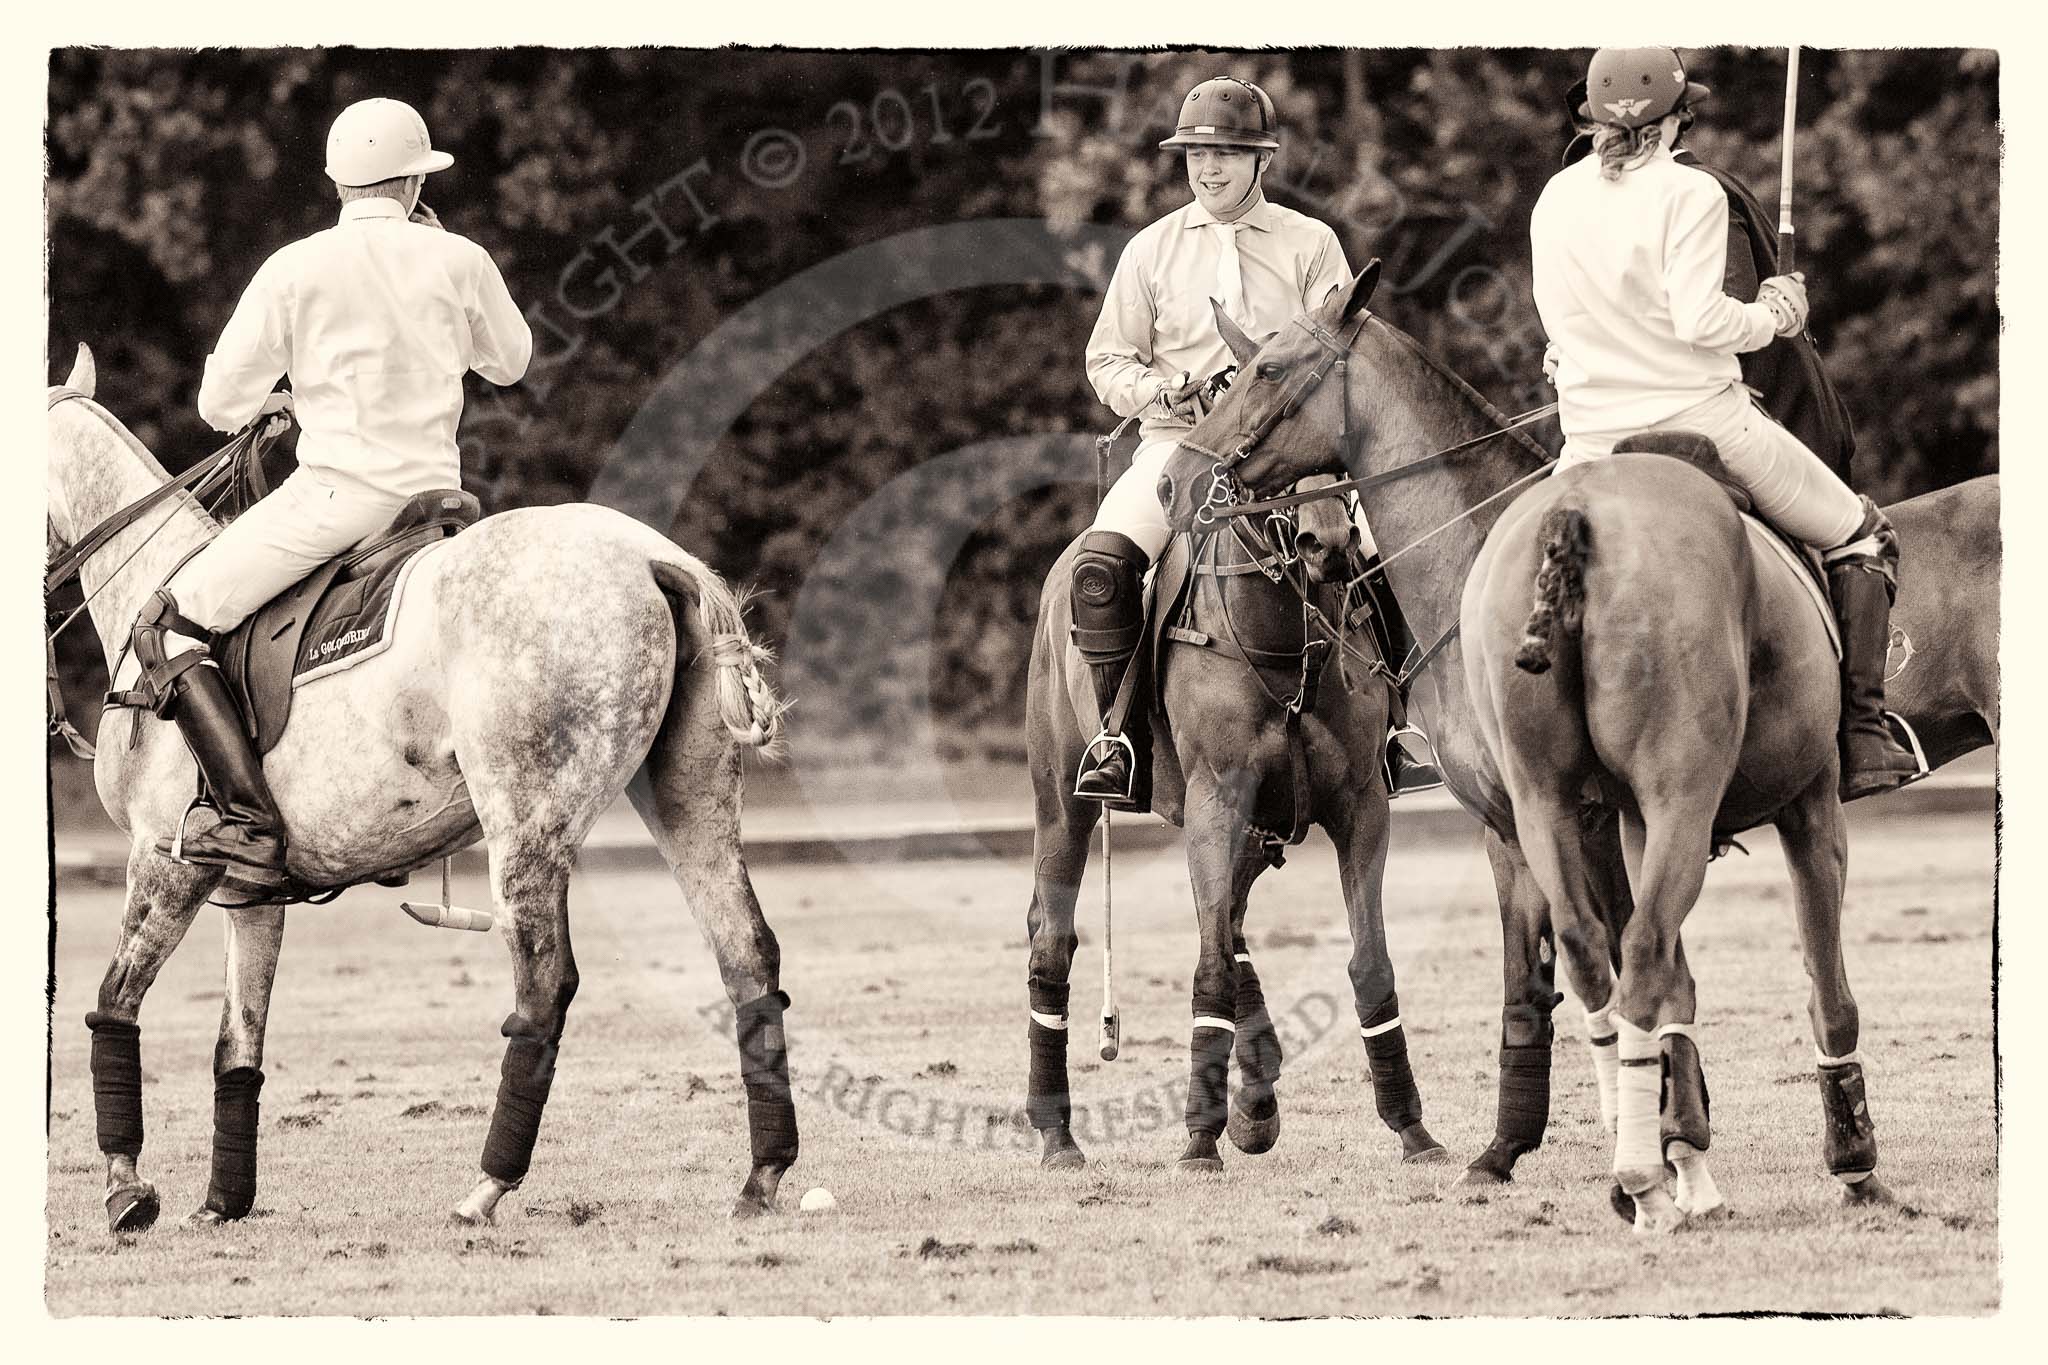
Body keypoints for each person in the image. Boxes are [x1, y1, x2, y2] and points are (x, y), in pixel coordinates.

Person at [132, 97, 534, 895]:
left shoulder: (294, 266)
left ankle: (246, 823)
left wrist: (276, 400)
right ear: (415, 185)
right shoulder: (459, 258)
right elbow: (510, 363)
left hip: (336, 502)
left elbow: (217, 405)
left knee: (167, 622)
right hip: (437, 511)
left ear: (337, 184)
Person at [1530, 48, 1919, 799]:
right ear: (1675, 119)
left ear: (1593, 120)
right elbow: (1701, 320)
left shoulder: (1554, 197)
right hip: (1705, 421)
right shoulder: (1691, 191)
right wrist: (1775, 312)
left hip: (1588, 441)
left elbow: (1555, 320)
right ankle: (1865, 733)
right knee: (1861, 532)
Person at [1074, 75, 1436, 802]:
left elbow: (1344, 352)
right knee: (1104, 566)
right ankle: (1118, 736)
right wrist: (1159, 391)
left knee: (1381, 553)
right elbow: (1107, 360)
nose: (1208, 170)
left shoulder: (1311, 243)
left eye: (1228, 156)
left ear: (1263, 161)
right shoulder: (1149, 250)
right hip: (1182, 445)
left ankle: (1397, 727)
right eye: (1195, 157)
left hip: (1298, 461)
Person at [1558, 78, 1857, 483]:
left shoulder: (1695, 191)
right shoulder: (1655, 195)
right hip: (1690, 420)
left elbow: (1718, 318)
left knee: (1851, 532)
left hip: (1778, 422)